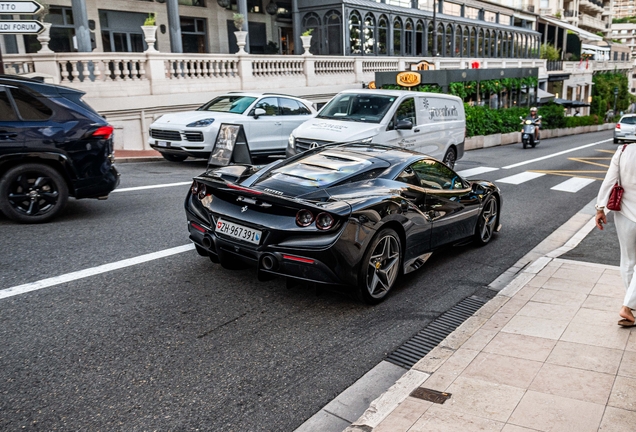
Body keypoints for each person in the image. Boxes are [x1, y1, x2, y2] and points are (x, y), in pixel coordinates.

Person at [595, 144, 636, 327]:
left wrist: (600, 208)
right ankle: (627, 306)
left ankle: (630, 306)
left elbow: (609, 180)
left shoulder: (624, 150)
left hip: (625, 214)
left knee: (627, 261)